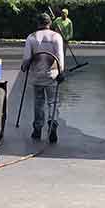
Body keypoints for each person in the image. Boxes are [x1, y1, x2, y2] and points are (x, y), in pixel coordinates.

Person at [20, 12, 66, 143]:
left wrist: (24, 67)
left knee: (39, 103)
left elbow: (27, 59)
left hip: (37, 76)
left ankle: (37, 129)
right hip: (53, 75)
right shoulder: (56, 37)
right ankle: (52, 125)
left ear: (38, 23)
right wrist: (61, 72)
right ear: (49, 23)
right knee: (53, 102)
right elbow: (60, 56)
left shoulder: (31, 37)